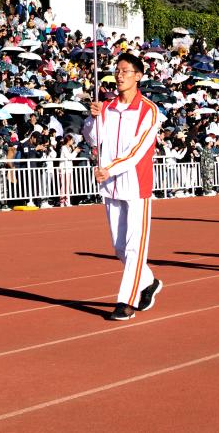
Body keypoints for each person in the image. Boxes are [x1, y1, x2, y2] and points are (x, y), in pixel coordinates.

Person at [84, 53, 164, 321]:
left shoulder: (149, 110)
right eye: (117, 71)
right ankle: (149, 281)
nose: (119, 75)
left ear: (138, 76)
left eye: (126, 71)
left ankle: (126, 302)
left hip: (135, 185)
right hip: (110, 186)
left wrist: (110, 168)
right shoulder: (106, 107)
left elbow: (138, 150)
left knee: (134, 247)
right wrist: (91, 118)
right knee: (119, 247)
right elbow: (94, 140)